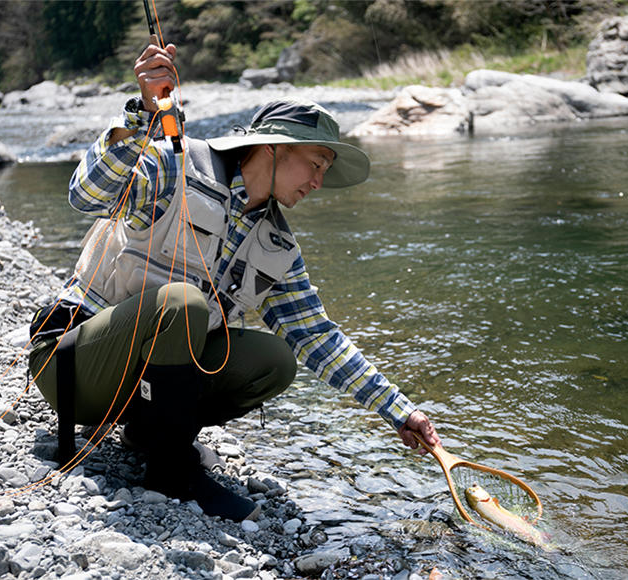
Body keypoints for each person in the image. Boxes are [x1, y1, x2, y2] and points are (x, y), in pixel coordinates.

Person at [28, 37, 441, 522]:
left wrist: (400, 411)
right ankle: (171, 470)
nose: (318, 183)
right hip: (72, 366)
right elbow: (86, 195)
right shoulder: (176, 163)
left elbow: (318, 338)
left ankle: (149, 432)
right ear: (273, 147)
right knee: (182, 304)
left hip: (133, 391)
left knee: (275, 359)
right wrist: (142, 115)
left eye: (324, 172)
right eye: (315, 164)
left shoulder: (278, 247)